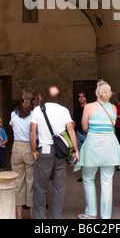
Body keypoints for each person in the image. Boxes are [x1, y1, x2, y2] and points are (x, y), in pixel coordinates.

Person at [74, 80, 120, 219]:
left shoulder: (89, 107)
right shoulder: (113, 108)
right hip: (109, 146)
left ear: (96, 93)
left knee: (88, 178)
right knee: (107, 181)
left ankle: (91, 213)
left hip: (93, 147)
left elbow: (84, 128)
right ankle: (106, 216)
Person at [30, 85, 79, 219]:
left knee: (40, 187)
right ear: (59, 98)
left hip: (44, 151)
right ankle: (56, 217)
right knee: (59, 187)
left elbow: (32, 132)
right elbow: (71, 131)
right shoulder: (64, 111)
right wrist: (76, 150)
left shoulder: (37, 110)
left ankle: (39, 218)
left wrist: (34, 150)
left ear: (46, 97)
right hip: (60, 152)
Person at [10, 88, 37, 219]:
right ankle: (32, 215)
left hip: (16, 146)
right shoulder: (34, 114)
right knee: (31, 182)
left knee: (18, 182)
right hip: (29, 146)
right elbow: (34, 132)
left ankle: (19, 217)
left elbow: (13, 128)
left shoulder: (13, 114)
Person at [73, 91, 88, 182]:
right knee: (81, 155)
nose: (81, 98)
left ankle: (88, 176)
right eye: (79, 97)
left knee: (88, 155)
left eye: (83, 96)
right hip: (78, 134)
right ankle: (84, 176)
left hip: (87, 134)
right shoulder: (76, 109)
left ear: (86, 98)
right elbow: (74, 121)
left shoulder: (90, 108)